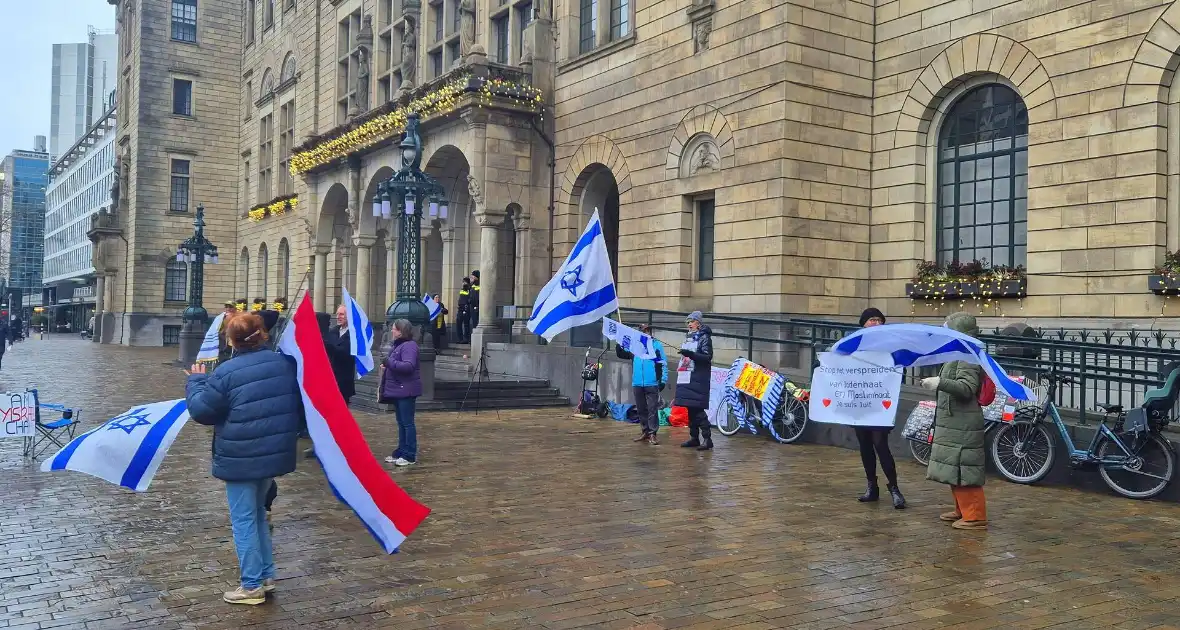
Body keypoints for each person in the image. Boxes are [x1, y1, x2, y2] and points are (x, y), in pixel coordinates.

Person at [185, 313, 303, 605]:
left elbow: (202, 411)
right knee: (259, 515)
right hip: (271, 455)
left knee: (244, 521)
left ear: (231, 340)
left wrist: (196, 382)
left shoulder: (227, 372)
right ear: (262, 334)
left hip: (240, 457)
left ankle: (251, 586)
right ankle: (265, 575)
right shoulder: (284, 364)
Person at [922, 311, 988, 531]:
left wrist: (940, 382)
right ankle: (962, 509)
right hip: (954, 421)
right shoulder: (957, 353)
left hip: (963, 422)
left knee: (964, 468)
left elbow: (967, 388)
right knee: (954, 468)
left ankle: (975, 516)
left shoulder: (967, 356)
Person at [852, 307, 905, 509]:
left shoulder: (889, 344)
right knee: (865, 445)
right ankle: (871, 486)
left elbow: (898, 367)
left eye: (878, 320)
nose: (875, 323)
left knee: (880, 443)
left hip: (880, 402)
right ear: (863, 324)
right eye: (871, 320)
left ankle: (894, 488)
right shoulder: (855, 343)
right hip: (859, 402)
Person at [305, 305, 357, 458]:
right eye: (338, 314)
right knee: (323, 415)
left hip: (343, 381)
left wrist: (327, 345)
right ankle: (319, 446)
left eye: (342, 314)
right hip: (327, 379)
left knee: (340, 417)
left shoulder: (353, 334)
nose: (339, 316)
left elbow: (346, 354)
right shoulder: (333, 332)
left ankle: (340, 446)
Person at [617, 324, 667, 445]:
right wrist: (619, 342)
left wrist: (663, 380)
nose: (645, 333)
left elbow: (663, 363)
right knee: (641, 409)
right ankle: (645, 431)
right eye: (643, 331)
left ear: (650, 333)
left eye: (647, 331)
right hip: (638, 383)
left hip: (652, 382)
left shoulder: (656, 346)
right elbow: (622, 354)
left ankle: (653, 433)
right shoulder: (635, 347)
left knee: (652, 409)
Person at [381, 319, 422, 467]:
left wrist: (389, 363)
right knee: (401, 423)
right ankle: (401, 451)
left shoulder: (409, 346)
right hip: (399, 390)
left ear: (401, 331)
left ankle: (409, 454)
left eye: (394, 329)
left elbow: (408, 366)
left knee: (407, 423)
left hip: (406, 390)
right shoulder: (398, 345)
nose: (392, 331)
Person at [674, 311, 714, 451]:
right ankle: (694, 437)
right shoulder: (688, 338)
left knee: (697, 410)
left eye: (691, 321)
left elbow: (707, 357)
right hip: (687, 376)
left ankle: (707, 439)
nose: (689, 324)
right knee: (690, 408)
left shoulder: (705, 338)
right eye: (688, 322)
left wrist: (691, 354)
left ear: (698, 323)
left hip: (698, 377)